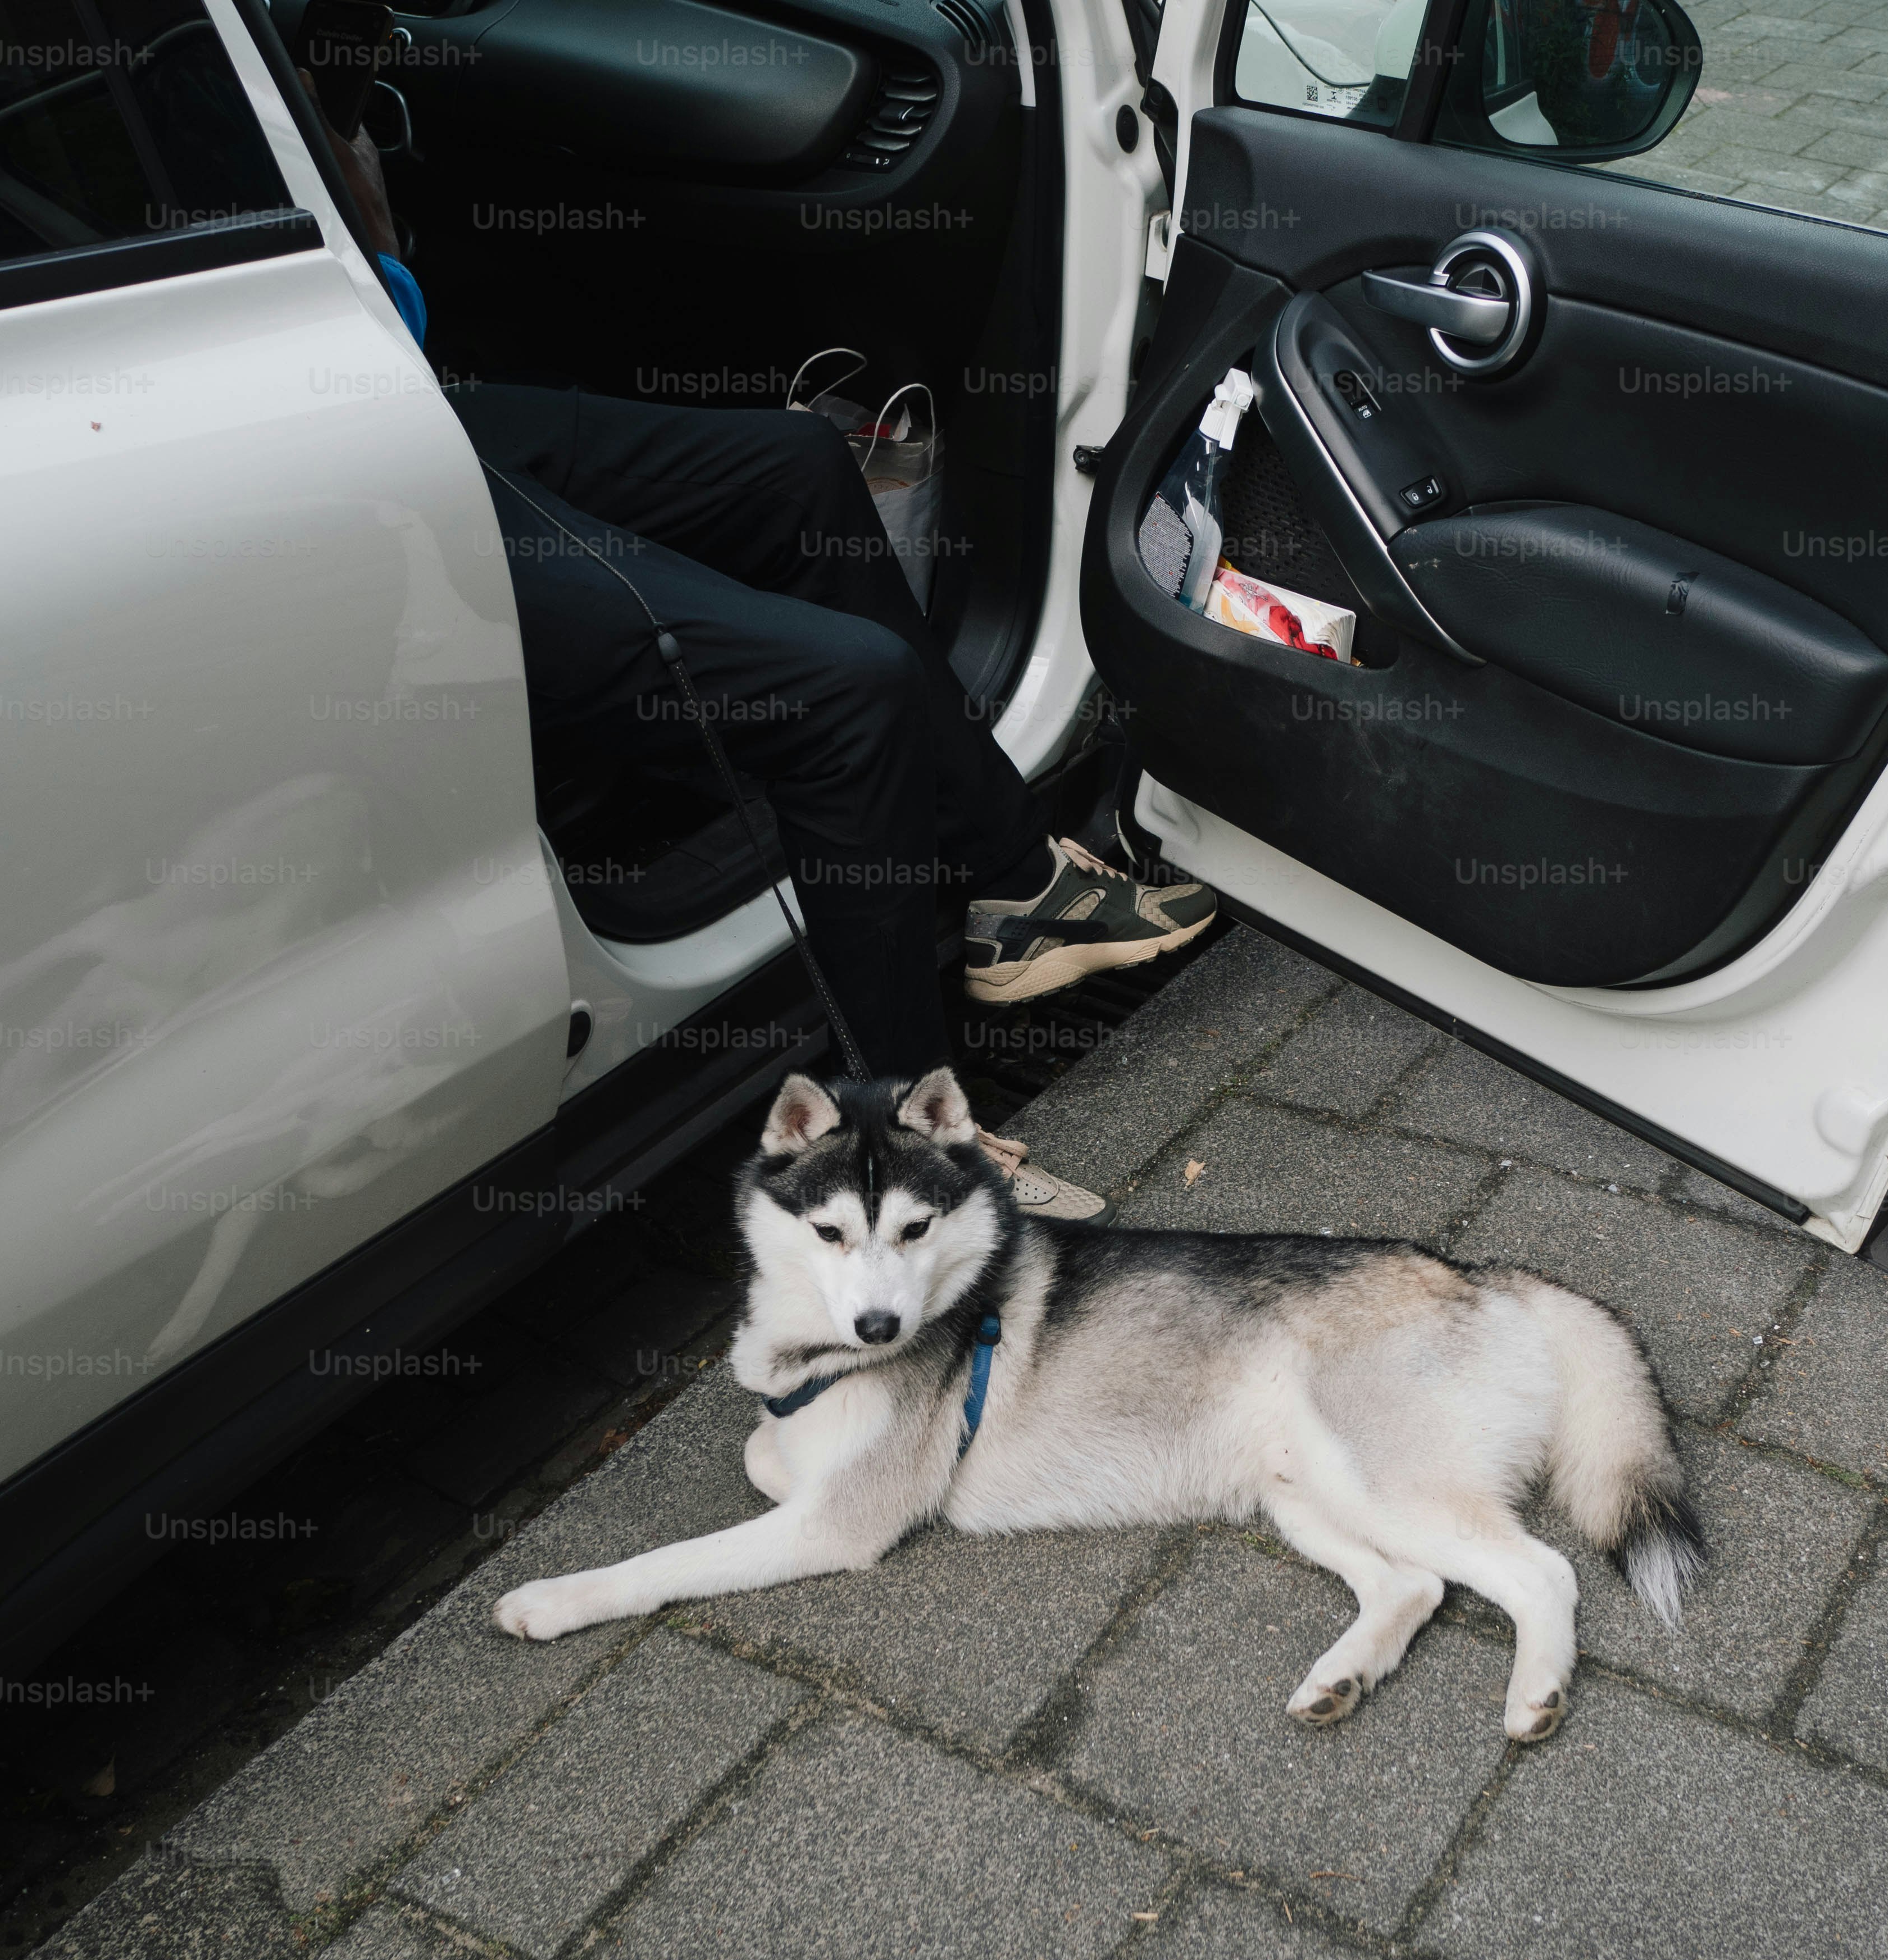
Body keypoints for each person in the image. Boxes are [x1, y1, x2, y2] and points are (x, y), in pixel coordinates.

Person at [307, 88, 1216, 1221]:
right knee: (851, 690)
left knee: (800, 466)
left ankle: (1015, 879)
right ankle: (891, 1158)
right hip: (317, 482)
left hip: (398, 401)